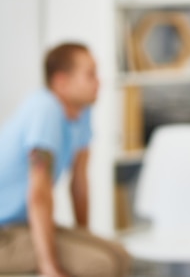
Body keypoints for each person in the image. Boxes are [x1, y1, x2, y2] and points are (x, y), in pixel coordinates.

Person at [0, 43, 131, 277]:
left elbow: (79, 182)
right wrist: (49, 266)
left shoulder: (82, 111)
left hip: (24, 224)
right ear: (61, 82)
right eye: (90, 75)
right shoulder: (45, 110)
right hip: (6, 232)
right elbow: (39, 194)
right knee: (99, 265)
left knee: (120, 255)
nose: (99, 82)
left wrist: (84, 236)